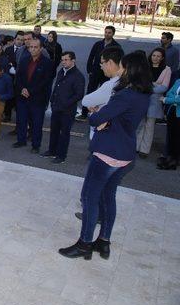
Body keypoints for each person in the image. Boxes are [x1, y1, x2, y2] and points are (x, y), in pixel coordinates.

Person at [59, 51, 152, 260]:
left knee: (89, 197)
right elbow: (121, 120)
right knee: (108, 197)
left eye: (124, 66)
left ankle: (84, 244)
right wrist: (106, 119)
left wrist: (96, 114)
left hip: (108, 152)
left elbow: (96, 118)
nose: (121, 69)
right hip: (125, 153)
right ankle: (104, 242)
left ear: (130, 69)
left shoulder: (126, 94)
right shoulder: (143, 94)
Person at [42, 51, 86, 163]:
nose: (63, 62)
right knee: (54, 131)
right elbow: (56, 86)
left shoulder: (78, 76)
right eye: (62, 60)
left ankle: (61, 156)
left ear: (73, 61)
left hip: (68, 110)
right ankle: (52, 151)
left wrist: (66, 103)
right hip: (56, 107)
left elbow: (79, 94)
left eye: (66, 60)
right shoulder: (61, 71)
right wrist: (52, 100)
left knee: (64, 134)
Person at [13, 39, 54, 153]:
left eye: (35, 47)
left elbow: (45, 82)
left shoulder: (47, 63)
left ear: (41, 48)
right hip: (23, 97)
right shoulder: (24, 60)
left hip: (37, 99)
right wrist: (22, 89)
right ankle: (21, 141)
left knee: (36, 123)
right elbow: (19, 77)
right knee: (21, 120)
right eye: (31, 47)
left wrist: (30, 90)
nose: (32, 49)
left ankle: (36, 146)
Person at [81, 46, 125, 141]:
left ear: (109, 62)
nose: (101, 66)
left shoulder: (111, 84)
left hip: (102, 137)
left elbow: (86, 101)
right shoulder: (125, 82)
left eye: (102, 63)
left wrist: (95, 107)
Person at [78, 26, 121, 120]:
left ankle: (100, 113)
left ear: (113, 34)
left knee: (104, 93)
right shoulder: (98, 44)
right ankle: (84, 113)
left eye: (109, 32)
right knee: (90, 90)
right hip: (95, 72)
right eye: (105, 32)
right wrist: (89, 70)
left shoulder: (116, 46)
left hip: (107, 75)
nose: (107, 34)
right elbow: (91, 57)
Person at [135, 48, 171, 158]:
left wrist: (149, 87)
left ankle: (144, 150)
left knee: (149, 126)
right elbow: (140, 82)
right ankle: (136, 146)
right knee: (139, 124)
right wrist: (154, 85)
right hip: (142, 99)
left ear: (162, 58)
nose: (155, 58)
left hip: (154, 102)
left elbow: (164, 87)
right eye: (154, 55)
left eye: (158, 56)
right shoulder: (145, 67)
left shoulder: (166, 69)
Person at [159, 71, 180, 170]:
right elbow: (169, 92)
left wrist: (167, 100)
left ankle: (174, 160)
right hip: (173, 112)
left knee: (177, 138)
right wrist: (174, 98)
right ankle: (170, 158)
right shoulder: (178, 81)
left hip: (178, 114)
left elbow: (173, 98)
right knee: (171, 136)